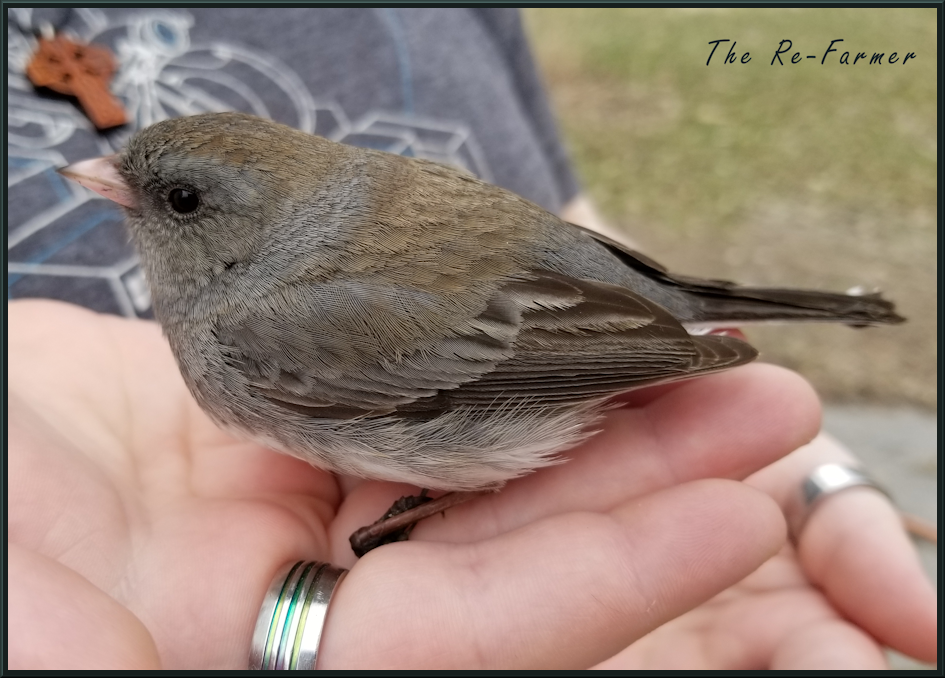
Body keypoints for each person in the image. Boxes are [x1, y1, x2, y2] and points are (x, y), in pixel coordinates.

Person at [8, 7, 936, 670]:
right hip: (556, 303)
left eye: (175, 199)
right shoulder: (319, 239)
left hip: (538, 356)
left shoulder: (261, 327)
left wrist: (673, 329)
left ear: (249, 221)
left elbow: (515, 325)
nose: (113, 183)